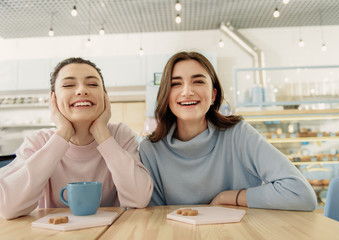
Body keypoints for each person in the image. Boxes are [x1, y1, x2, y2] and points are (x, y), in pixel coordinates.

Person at [139, 51, 317, 211]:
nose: (187, 92)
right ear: (165, 95)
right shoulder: (150, 150)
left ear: (213, 95)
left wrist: (229, 197)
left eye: (198, 81)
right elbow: (153, 218)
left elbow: (301, 193)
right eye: (176, 84)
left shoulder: (238, 134)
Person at [0, 57, 153, 219]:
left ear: (105, 97)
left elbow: (139, 199)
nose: (81, 91)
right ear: (54, 99)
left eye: (93, 84)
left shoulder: (119, 135)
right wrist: (63, 134)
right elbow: (7, 207)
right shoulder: (39, 141)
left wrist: (102, 134)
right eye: (68, 85)